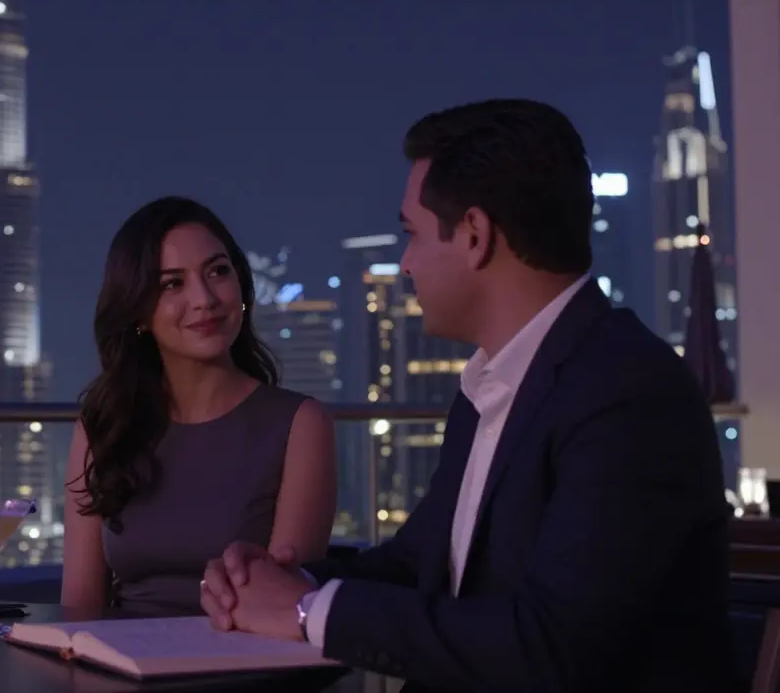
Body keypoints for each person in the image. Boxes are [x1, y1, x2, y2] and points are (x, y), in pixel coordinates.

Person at [199, 99, 732, 691]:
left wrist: (307, 613)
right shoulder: (493, 386)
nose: (404, 264)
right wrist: (282, 583)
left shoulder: (627, 394)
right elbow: (418, 565)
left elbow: (551, 646)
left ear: (475, 236)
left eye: (412, 234)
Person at [60, 196, 338, 617]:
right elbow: (80, 607)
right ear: (138, 311)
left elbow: (286, 604)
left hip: (251, 667)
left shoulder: (300, 423)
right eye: (172, 283)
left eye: (218, 271)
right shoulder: (103, 426)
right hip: (120, 666)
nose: (205, 298)